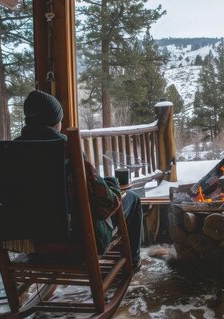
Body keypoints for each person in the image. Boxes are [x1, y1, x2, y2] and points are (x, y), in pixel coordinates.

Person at [16, 90, 143, 271]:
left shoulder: (11, 151)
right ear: (55, 122)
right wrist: (114, 185)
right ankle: (133, 262)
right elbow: (106, 203)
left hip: (29, 238)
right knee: (132, 197)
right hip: (76, 238)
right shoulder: (67, 149)